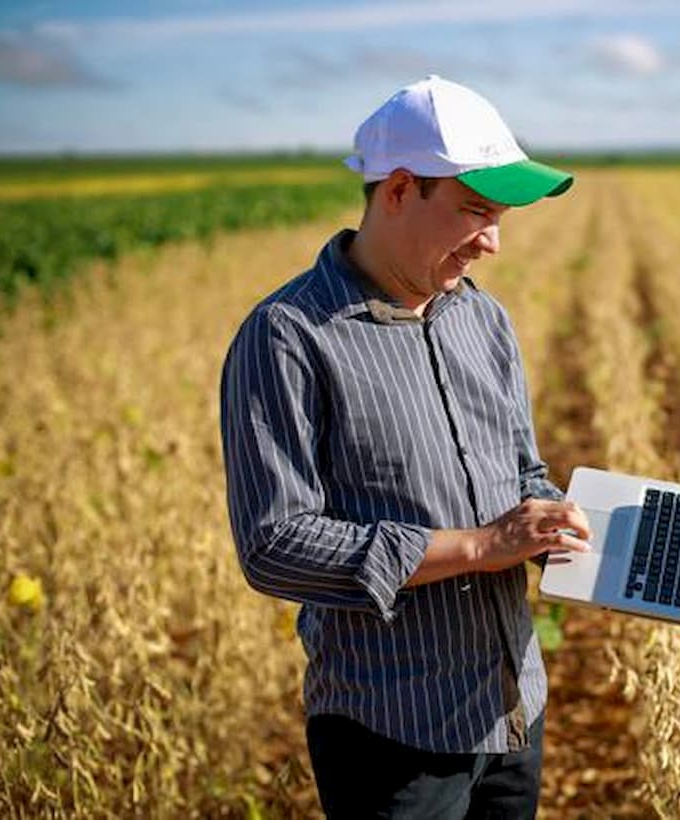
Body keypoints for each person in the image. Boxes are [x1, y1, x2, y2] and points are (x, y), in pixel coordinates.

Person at [219, 75, 592, 819]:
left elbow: (520, 466)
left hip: (512, 706)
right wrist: (481, 546)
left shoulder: (482, 319)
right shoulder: (287, 336)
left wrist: (558, 527)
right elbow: (274, 545)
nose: (493, 241)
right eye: (476, 212)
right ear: (396, 191)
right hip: (391, 736)